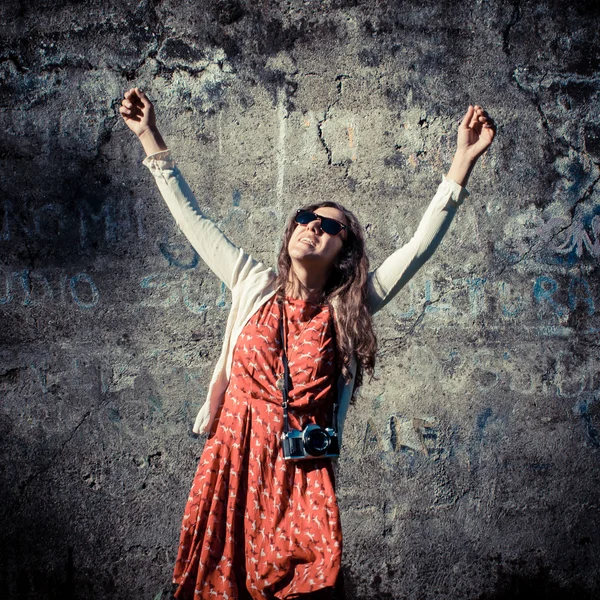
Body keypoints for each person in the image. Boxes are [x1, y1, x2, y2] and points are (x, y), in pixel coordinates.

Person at [119, 88, 495, 599]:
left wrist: (460, 163)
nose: (311, 227)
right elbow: (195, 222)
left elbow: (418, 248)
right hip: (232, 458)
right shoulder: (251, 283)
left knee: (310, 585)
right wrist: (150, 138)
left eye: (328, 226)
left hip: (300, 471)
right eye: (304, 218)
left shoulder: (348, 306)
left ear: (344, 251)